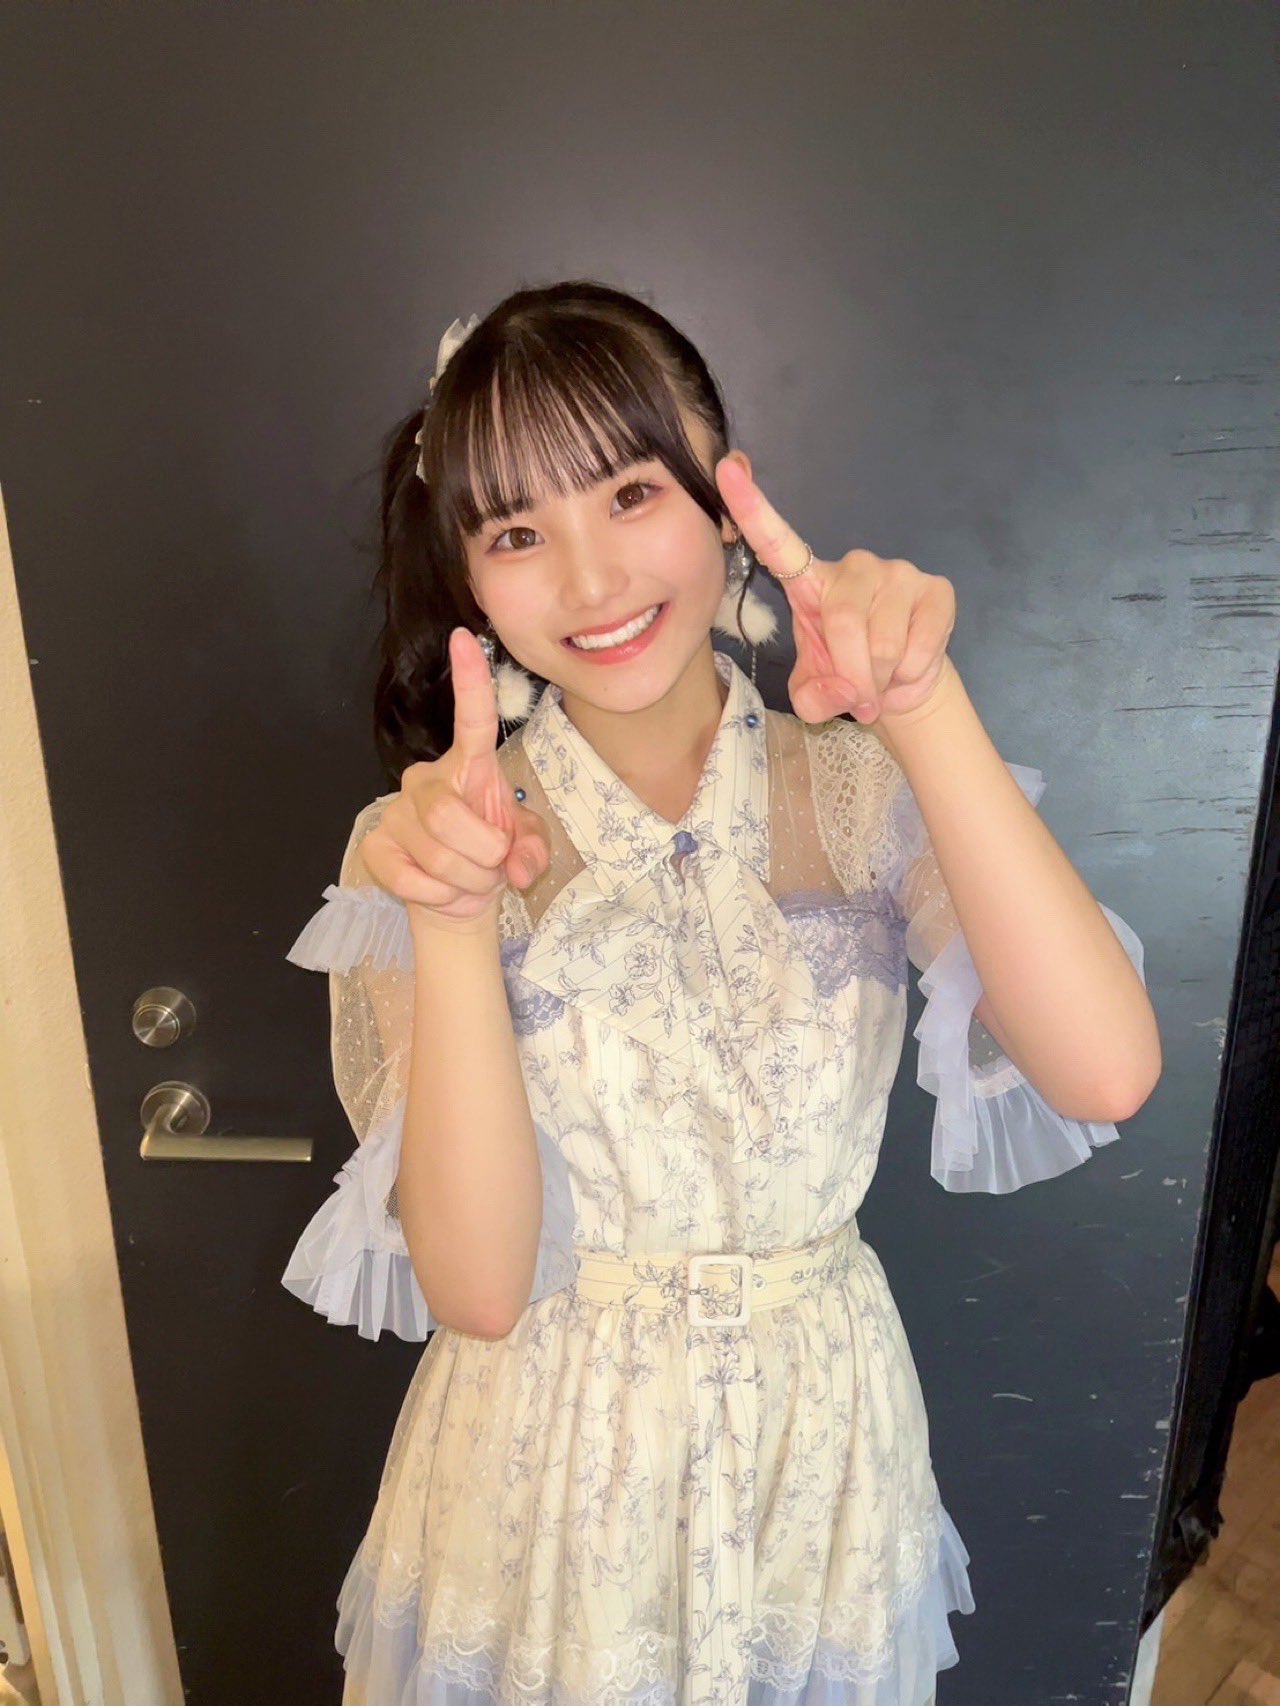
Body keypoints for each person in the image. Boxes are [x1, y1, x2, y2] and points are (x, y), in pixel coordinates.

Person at [281, 279, 1159, 1705]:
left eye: (632, 493)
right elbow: (481, 1289)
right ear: (469, 578)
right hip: (545, 1494)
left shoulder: (858, 794)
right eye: (517, 533)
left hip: (816, 1468)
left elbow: (1104, 1069)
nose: (591, 582)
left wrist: (924, 707)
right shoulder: (429, 843)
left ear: (724, 490)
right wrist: (449, 923)